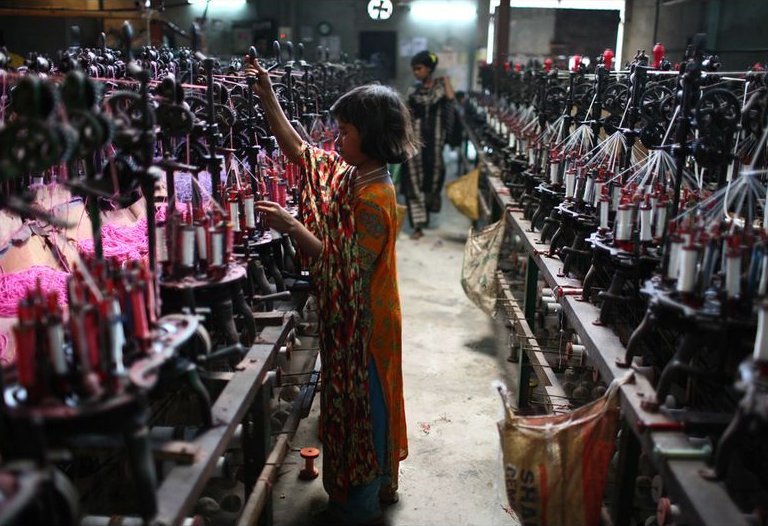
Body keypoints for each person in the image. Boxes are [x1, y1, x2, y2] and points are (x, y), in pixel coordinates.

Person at [244, 58, 416, 526]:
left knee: (362, 410)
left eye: (344, 132)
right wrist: (265, 93)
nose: (336, 141)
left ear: (371, 135)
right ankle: (368, 489)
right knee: (350, 406)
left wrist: (291, 224)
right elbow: (301, 152)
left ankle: (358, 505)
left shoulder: (375, 198)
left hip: (368, 326)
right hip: (353, 319)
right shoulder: (351, 176)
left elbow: (342, 266)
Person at [401, 49, 455, 240]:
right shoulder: (413, 91)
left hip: (435, 142)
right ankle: (418, 226)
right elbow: (406, 113)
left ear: (429, 69)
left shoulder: (440, 88)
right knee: (414, 182)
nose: (416, 72)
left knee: (434, 177)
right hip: (415, 142)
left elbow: (450, 98)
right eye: (414, 69)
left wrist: (446, 80)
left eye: (419, 68)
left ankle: (428, 212)